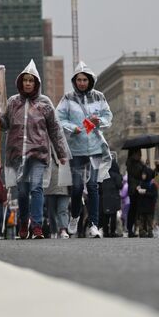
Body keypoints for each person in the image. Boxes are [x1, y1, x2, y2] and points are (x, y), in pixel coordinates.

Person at [0, 60, 67, 240]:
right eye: (25, 80)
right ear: (20, 82)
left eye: (31, 80)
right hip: (18, 155)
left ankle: (37, 227)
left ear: (36, 83)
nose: (27, 83)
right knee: (23, 191)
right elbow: (4, 125)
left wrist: (62, 153)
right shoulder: (12, 103)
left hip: (38, 154)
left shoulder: (45, 103)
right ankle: (23, 222)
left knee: (36, 188)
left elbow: (55, 129)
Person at [56, 61, 112, 239]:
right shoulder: (67, 98)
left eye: (84, 80)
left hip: (95, 148)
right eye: (78, 80)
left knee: (93, 186)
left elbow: (108, 116)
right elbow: (59, 118)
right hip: (77, 150)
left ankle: (94, 225)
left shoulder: (99, 97)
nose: (81, 83)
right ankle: (75, 216)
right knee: (78, 188)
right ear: (74, 81)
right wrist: (73, 128)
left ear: (90, 80)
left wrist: (99, 122)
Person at [126, 152, 158, 238]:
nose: (139, 155)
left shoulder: (140, 164)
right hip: (134, 190)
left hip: (139, 190)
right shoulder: (131, 163)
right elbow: (138, 173)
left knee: (140, 212)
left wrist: (146, 166)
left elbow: (148, 174)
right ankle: (132, 229)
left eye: (140, 154)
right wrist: (144, 168)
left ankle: (140, 229)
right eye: (138, 154)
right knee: (134, 211)